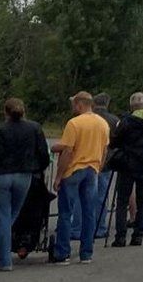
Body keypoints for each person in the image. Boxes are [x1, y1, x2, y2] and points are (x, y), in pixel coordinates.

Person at [0, 98, 50, 271]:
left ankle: (3, 258)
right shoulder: (34, 128)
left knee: (4, 215)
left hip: (2, 175)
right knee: (13, 213)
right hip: (25, 174)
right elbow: (43, 153)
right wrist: (38, 168)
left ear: (5, 112)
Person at [51, 91, 110, 265]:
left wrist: (58, 176)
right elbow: (105, 149)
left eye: (73, 104)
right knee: (89, 212)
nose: (72, 107)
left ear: (79, 104)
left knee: (66, 212)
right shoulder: (103, 123)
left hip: (74, 170)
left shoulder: (74, 123)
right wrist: (99, 166)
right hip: (92, 169)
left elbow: (68, 151)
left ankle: (63, 253)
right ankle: (86, 253)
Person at [109, 92, 143, 248]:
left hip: (128, 164)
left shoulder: (126, 121)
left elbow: (115, 141)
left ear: (131, 106)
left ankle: (120, 236)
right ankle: (138, 234)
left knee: (122, 200)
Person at [90, 93, 119, 239]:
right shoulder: (114, 120)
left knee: (84, 195)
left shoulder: (86, 117)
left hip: (88, 161)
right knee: (101, 196)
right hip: (106, 162)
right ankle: (99, 227)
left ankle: (83, 225)